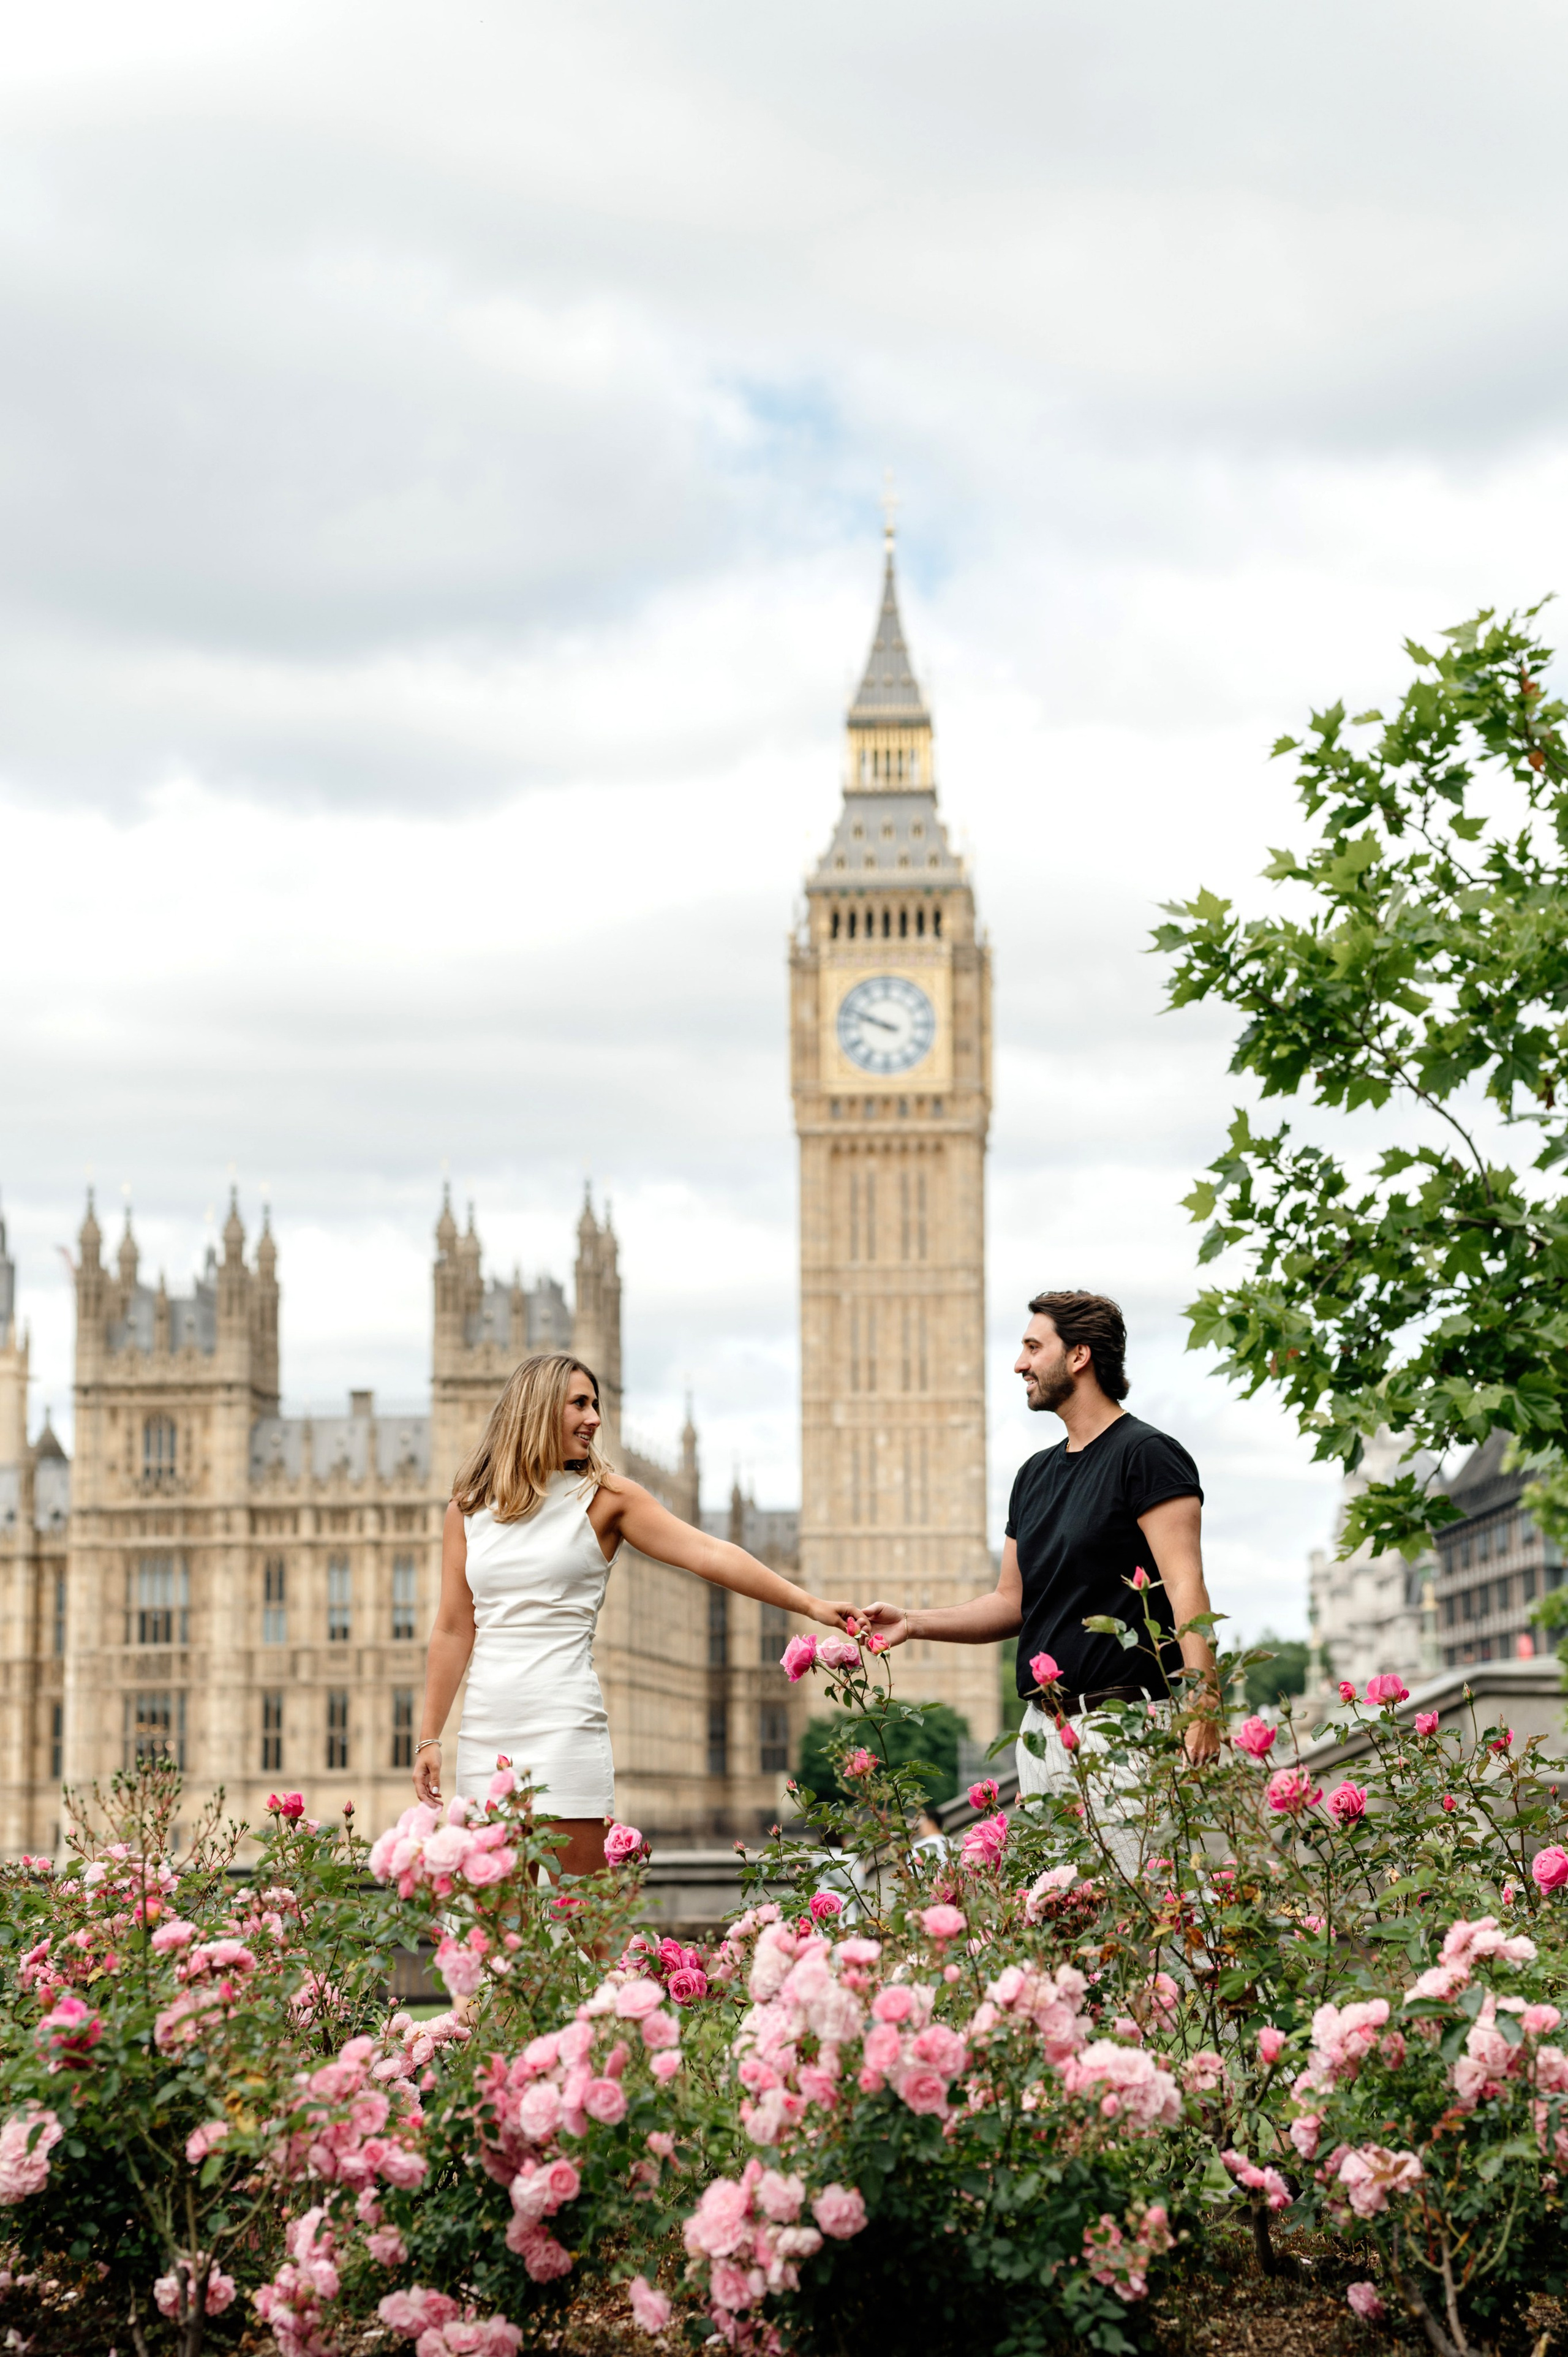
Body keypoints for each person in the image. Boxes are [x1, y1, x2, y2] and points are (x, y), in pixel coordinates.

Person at [412, 1351, 854, 1879]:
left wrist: (811, 1605)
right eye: (580, 1403)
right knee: (495, 1933)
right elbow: (454, 1628)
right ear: (537, 1409)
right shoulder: (467, 1511)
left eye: (596, 1404)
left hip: (565, 1725)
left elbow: (710, 1554)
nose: (595, 1418)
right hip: (488, 1730)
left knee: (585, 1920)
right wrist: (430, 1736)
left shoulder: (606, 1499)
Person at [859, 1289, 1221, 1798]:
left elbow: (1187, 1587)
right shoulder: (1033, 1476)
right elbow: (1011, 1603)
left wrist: (1205, 1708)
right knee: (1053, 1883)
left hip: (1125, 1730)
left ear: (1079, 1356)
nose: (1018, 1365)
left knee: (1132, 1881)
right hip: (1042, 1736)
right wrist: (913, 1623)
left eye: (1033, 1348)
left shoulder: (1147, 1456)